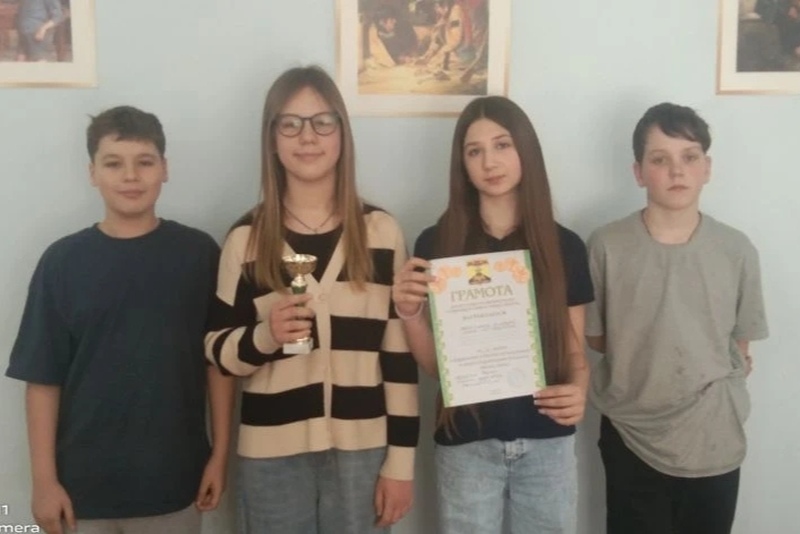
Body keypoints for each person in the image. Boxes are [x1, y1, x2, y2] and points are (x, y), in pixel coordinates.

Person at [204, 65, 420, 534]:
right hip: (271, 458)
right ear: (272, 138)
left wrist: (402, 463)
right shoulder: (245, 239)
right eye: (291, 123)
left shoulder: (381, 233)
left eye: (323, 122)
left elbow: (399, 360)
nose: (307, 137)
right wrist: (265, 337)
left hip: (364, 453)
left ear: (342, 134)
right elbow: (216, 351)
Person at [5, 106, 234, 534]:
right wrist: (44, 482)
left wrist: (219, 455)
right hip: (81, 491)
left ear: (164, 168)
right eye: (113, 163)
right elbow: (42, 380)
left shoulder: (198, 254)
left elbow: (218, 363)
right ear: (93, 172)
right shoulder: (62, 262)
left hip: (173, 482)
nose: (130, 176)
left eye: (144, 162)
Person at [392, 95, 593, 534]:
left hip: (547, 439)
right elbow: (436, 368)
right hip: (467, 442)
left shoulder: (565, 247)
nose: (490, 162)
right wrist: (409, 313)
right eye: (474, 151)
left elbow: (575, 355)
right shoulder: (435, 244)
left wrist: (578, 391)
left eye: (502, 145)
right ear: (461, 164)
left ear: (525, 150)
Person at [585, 102, 769, 534]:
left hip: (713, 436)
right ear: (638, 172)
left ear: (707, 167)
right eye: (659, 159)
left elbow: (739, 343)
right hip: (631, 433)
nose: (676, 171)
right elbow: (596, 336)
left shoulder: (736, 249)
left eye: (689, 157)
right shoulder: (606, 245)